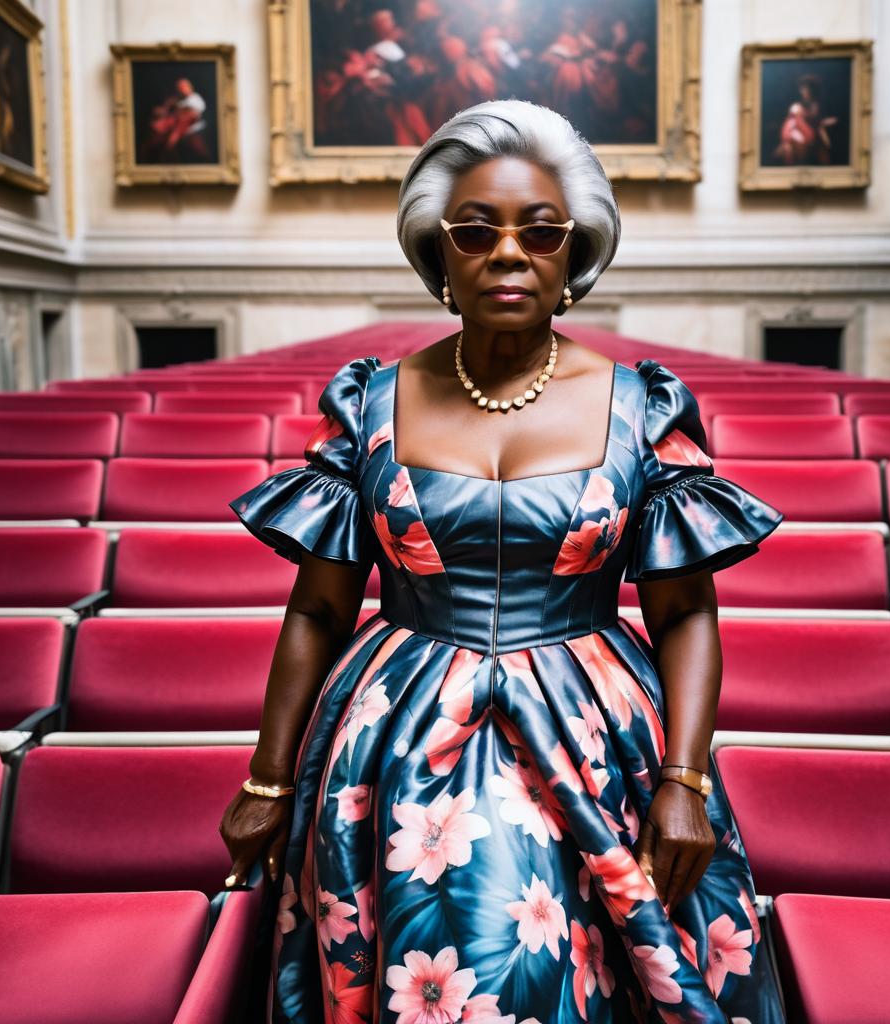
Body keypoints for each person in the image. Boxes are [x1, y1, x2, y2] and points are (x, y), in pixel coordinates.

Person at [220, 98, 785, 1024]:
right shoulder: (369, 402)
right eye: (476, 231)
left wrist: (684, 781)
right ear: (439, 253)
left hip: (601, 731)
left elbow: (684, 612)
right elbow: (318, 611)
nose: (510, 252)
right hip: (395, 739)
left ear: (575, 254)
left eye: (542, 231)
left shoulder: (642, 408)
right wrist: (267, 777)